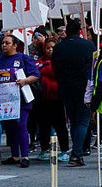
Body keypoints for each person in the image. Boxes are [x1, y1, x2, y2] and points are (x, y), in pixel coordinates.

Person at [0, 35, 40, 168]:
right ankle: (15, 156)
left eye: (7, 43)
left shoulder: (24, 58)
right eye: (2, 43)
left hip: (22, 99)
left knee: (21, 125)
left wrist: (25, 81)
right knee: (10, 128)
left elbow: (35, 75)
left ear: (15, 45)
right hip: (5, 100)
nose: (4, 45)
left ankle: (25, 156)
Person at [52, 19, 95, 166]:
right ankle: (77, 154)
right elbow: (93, 67)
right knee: (83, 121)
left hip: (66, 87)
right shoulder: (88, 45)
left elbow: (55, 67)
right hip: (84, 87)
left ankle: (77, 152)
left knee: (74, 121)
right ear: (79, 31)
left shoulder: (59, 47)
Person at [37, 37, 70, 162]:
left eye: (53, 48)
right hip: (43, 98)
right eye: (48, 48)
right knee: (44, 125)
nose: (50, 50)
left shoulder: (61, 61)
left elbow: (52, 72)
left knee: (60, 126)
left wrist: (43, 70)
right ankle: (44, 149)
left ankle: (65, 150)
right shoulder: (40, 61)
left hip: (57, 98)